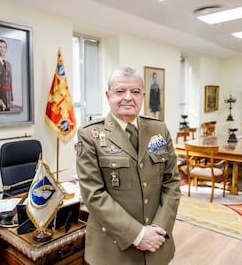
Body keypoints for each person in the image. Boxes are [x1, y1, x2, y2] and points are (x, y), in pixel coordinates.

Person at [76, 67, 181, 265]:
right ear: (108, 96)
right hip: (112, 250)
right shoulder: (90, 135)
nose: (128, 98)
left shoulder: (158, 130)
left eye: (135, 92)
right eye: (120, 91)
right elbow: (93, 194)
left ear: (143, 95)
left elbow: (172, 182)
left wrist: (159, 228)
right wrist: (138, 234)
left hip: (157, 245)